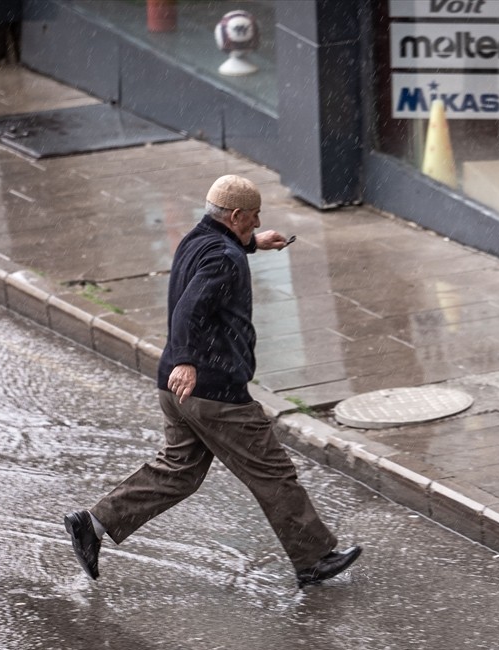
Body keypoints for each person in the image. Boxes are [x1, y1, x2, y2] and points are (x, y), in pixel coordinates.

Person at [64, 175, 362, 588]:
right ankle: (313, 559)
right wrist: (188, 360)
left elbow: (215, 258)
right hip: (213, 389)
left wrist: (256, 245)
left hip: (174, 388)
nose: (257, 223)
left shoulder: (198, 239)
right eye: (254, 218)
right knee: (272, 472)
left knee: (179, 470)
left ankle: (93, 523)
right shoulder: (224, 256)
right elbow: (189, 309)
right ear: (236, 215)